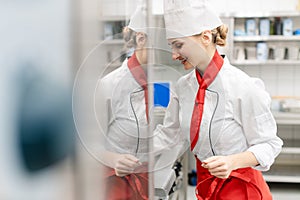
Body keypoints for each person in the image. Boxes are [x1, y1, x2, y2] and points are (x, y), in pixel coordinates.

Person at [161, 0, 283, 199]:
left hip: (242, 188)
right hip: (206, 185)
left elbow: (269, 144)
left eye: (179, 45)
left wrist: (232, 161)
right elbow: (169, 135)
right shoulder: (183, 87)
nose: (174, 55)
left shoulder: (243, 86)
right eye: (171, 46)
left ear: (206, 37)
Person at [95, 5, 150, 200]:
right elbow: (88, 144)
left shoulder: (158, 81)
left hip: (149, 181)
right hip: (117, 185)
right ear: (142, 39)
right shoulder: (109, 86)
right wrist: (115, 159)